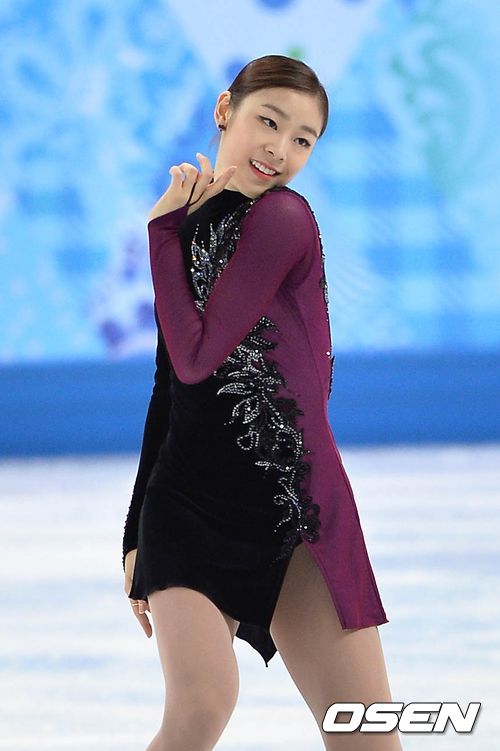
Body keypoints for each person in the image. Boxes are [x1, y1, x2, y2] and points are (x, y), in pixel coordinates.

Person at [122, 54, 404, 751]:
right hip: (188, 506)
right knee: (200, 707)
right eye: (268, 122)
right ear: (226, 110)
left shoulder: (283, 218)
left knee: (368, 737)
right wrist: (134, 534)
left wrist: (161, 235)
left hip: (296, 510)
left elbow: (197, 353)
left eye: (303, 139)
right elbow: (173, 383)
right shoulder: (191, 225)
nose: (280, 149)